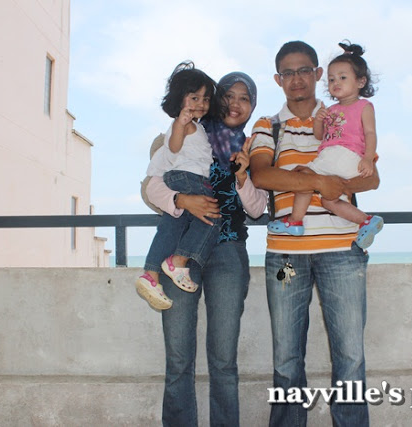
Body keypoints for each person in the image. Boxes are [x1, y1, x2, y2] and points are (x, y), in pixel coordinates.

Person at [249, 41, 380, 426]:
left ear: (318, 73)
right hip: (286, 256)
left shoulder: (344, 114)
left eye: (304, 70)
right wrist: (322, 181)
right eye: (288, 73)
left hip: (342, 250)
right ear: (278, 79)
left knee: (350, 359)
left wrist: (340, 181)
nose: (297, 79)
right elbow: (262, 175)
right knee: (286, 360)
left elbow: (371, 179)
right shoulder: (268, 125)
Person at [146, 71, 266, 426]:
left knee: (224, 362)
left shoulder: (253, 149)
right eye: (228, 95)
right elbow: (151, 188)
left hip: (228, 252)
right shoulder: (180, 134)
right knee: (178, 359)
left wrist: (242, 177)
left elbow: (258, 209)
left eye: (245, 98)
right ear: (215, 100)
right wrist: (183, 200)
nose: (235, 104)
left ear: (252, 106)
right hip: (180, 255)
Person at [266, 41, 384, 249]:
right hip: (333, 155)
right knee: (329, 200)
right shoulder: (331, 110)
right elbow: (320, 136)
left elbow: (370, 134)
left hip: (344, 155)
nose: (336, 82)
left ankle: (295, 220)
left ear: (361, 81)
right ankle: (366, 221)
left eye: (343, 78)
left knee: (304, 177)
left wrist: (367, 158)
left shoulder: (363, 106)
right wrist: (319, 120)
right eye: (332, 79)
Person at [136, 61, 224, 311]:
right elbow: (174, 147)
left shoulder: (197, 126)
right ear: (180, 98)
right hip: (188, 178)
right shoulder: (183, 124)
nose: (201, 104)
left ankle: (150, 275)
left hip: (182, 179)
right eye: (194, 97)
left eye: (205, 99)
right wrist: (180, 124)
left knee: (172, 225)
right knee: (212, 217)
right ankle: (178, 261)